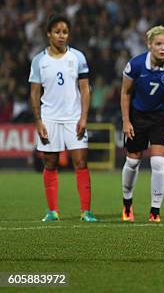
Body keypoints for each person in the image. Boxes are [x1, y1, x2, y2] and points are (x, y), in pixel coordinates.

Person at [29, 14, 97, 222]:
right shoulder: (39, 60)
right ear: (48, 34)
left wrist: (84, 117)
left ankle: (86, 211)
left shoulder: (77, 57)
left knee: (80, 162)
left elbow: (85, 90)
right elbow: (34, 93)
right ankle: (52, 211)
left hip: (73, 118)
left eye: (65, 32)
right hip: (49, 118)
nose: (61, 36)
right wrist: (39, 121)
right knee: (50, 163)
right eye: (57, 32)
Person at [120, 25, 164, 223]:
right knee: (133, 161)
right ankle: (127, 205)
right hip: (138, 116)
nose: (163, 48)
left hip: (161, 117)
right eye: (158, 44)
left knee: (158, 162)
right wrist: (126, 121)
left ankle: (155, 211)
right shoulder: (135, 65)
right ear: (149, 45)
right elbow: (125, 93)